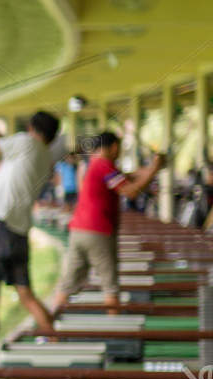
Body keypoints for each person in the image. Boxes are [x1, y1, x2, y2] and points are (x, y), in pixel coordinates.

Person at [0, 90, 64, 365]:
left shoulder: (24, 144)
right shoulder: (44, 156)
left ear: (31, 128)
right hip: (20, 234)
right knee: (26, 295)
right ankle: (57, 345)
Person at [51, 133, 164, 316]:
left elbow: (129, 176)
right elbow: (130, 191)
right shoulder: (104, 165)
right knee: (110, 287)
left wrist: (152, 168)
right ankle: (114, 326)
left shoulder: (94, 163)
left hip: (78, 230)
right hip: (97, 231)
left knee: (67, 284)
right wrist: (154, 169)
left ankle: (50, 327)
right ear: (114, 147)